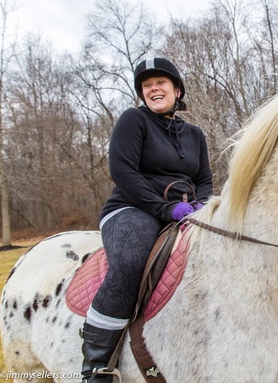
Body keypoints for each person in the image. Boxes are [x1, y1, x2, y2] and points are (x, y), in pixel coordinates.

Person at [80, 57, 213, 382]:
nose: (153, 88)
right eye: (146, 85)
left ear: (177, 90)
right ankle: (96, 368)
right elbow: (122, 171)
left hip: (184, 212)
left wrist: (203, 207)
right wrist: (165, 209)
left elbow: (205, 180)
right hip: (131, 209)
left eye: (160, 83)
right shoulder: (133, 121)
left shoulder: (195, 135)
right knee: (130, 262)